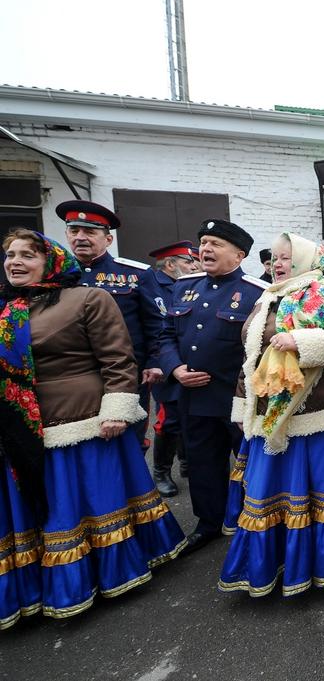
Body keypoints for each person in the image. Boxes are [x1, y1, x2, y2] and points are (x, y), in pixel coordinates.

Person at [0, 229, 185, 628]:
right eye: (10, 255)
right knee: (38, 508)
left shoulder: (87, 298)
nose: (15, 262)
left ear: (51, 262)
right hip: (17, 429)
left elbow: (119, 360)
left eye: (27, 256)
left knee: (75, 507)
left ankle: (97, 577)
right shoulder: (5, 310)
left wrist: (117, 409)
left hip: (78, 422)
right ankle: (39, 585)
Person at [218, 232, 324, 597]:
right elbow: (251, 358)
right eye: (274, 258)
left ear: (304, 259)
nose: (278, 264)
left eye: (286, 257)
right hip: (270, 418)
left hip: (317, 416)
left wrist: (304, 342)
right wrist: (243, 403)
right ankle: (275, 566)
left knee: (317, 496)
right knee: (271, 495)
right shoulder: (268, 297)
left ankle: (323, 568)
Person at [157, 219, 268, 555]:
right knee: (204, 464)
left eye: (215, 244)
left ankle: (256, 521)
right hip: (194, 397)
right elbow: (165, 335)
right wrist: (174, 368)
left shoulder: (257, 292)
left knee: (250, 464)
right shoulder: (184, 287)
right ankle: (209, 523)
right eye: (203, 243)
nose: (205, 249)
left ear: (239, 254)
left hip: (238, 400)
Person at [58, 200, 162, 445]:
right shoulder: (56, 275)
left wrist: (154, 361)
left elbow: (156, 322)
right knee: (81, 438)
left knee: (128, 438)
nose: (80, 237)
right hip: (72, 375)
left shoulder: (135, 274)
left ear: (108, 240)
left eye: (89, 232)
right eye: (74, 231)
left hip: (125, 373)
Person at [144, 240, 200, 496]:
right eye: (188, 261)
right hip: (165, 365)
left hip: (190, 362)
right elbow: (149, 329)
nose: (194, 265)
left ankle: (187, 461)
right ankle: (161, 471)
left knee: (191, 415)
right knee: (169, 421)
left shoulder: (191, 285)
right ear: (170, 264)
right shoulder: (150, 286)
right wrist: (156, 363)